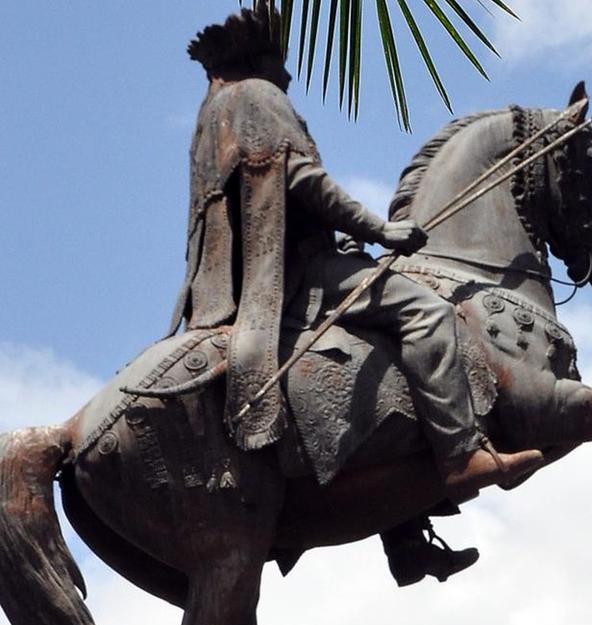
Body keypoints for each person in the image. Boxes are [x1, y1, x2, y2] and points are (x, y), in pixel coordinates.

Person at [173, 5, 542, 582]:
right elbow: (301, 180)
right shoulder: (259, 97)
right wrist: (379, 228)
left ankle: (407, 537)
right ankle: (463, 456)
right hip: (295, 275)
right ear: (262, 59)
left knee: (382, 376)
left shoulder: (211, 112)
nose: (290, 75)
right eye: (282, 63)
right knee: (427, 315)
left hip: (244, 281)